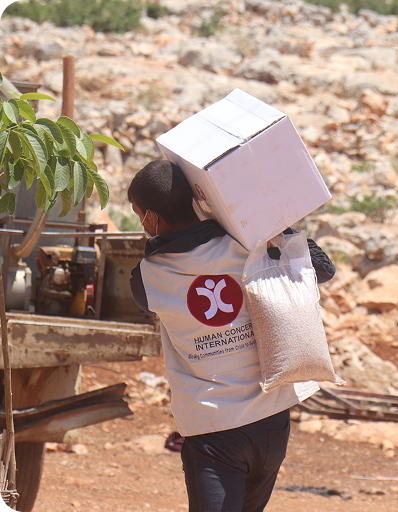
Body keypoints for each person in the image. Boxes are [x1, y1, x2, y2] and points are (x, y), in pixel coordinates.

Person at [128, 160, 336, 512]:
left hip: (214, 428)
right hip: (272, 422)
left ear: (151, 217)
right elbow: (323, 269)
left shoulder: (148, 279)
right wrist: (262, 220)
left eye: (139, 216)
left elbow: (147, 286)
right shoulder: (249, 245)